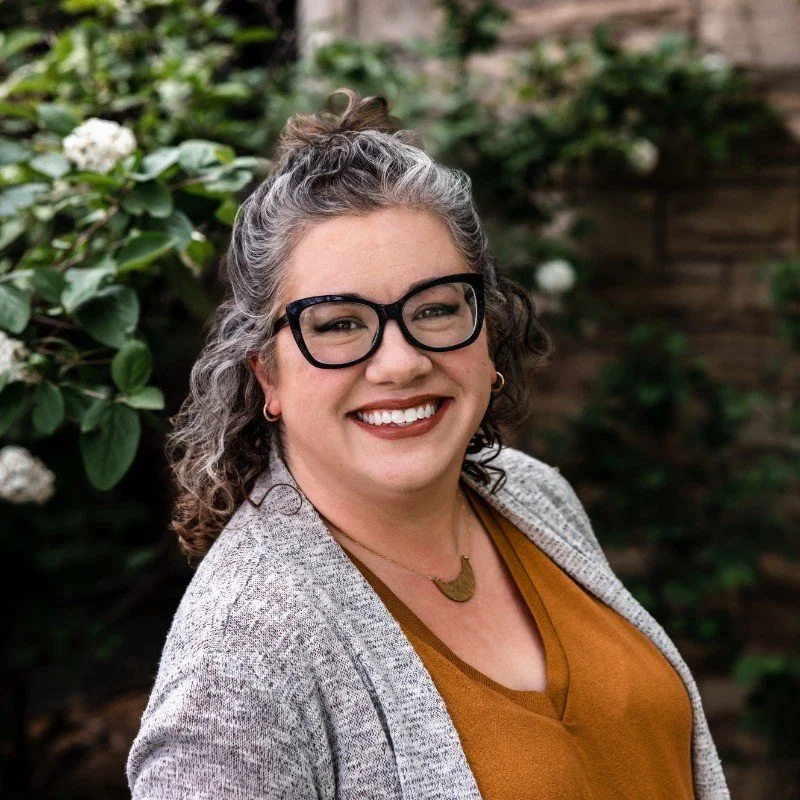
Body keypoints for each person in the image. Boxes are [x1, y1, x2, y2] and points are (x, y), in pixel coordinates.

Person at [126, 88, 730, 800]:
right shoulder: (238, 666)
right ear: (267, 374)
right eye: (339, 323)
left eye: (436, 309)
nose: (401, 362)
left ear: (488, 330)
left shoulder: (534, 494)